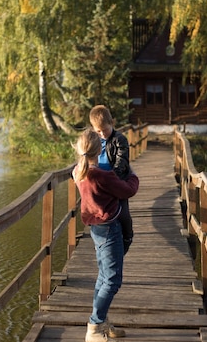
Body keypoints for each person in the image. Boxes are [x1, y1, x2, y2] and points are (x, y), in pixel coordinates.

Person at [73, 128, 139, 342]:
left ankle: (100, 322)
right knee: (112, 280)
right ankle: (94, 326)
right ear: (99, 149)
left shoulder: (78, 172)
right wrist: (133, 175)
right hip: (109, 228)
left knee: (104, 275)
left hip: (96, 228)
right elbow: (127, 190)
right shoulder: (101, 175)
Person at [89, 105, 135, 255]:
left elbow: (121, 162)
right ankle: (102, 244)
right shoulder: (93, 139)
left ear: (112, 123)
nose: (102, 134)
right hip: (100, 184)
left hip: (116, 183)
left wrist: (112, 180)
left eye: (105, 129)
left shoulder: (119, 139)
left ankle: (127, 238)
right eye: (98, 131)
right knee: (100, 215)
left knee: (124, 215)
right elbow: (85, 156)